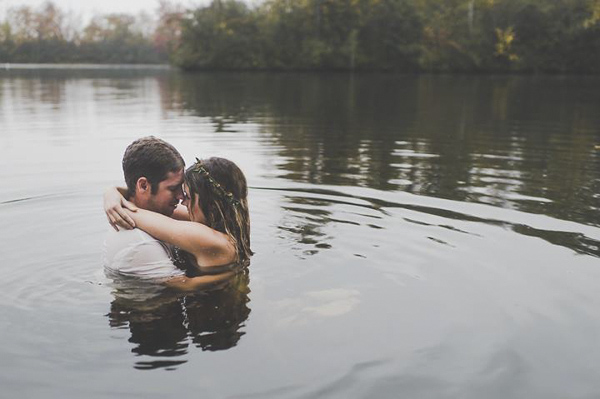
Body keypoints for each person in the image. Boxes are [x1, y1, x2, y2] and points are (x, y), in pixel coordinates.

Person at [103, 136, 237, 291]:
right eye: (173, 189)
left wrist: (112, 192)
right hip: (151, 312)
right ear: (144, 185)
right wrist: (232, 273)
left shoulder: (157, 211)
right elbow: (184, 286)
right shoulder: (139, 242)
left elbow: (202, 216)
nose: (181, 197)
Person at [107, 156, 253, 274]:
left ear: (212, 206)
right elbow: (153, 209)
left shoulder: (214, 242)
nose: (183, 202)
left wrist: (116, 205)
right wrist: (112, 192)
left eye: (188, 197)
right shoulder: (230, 223)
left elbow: (136, 213)